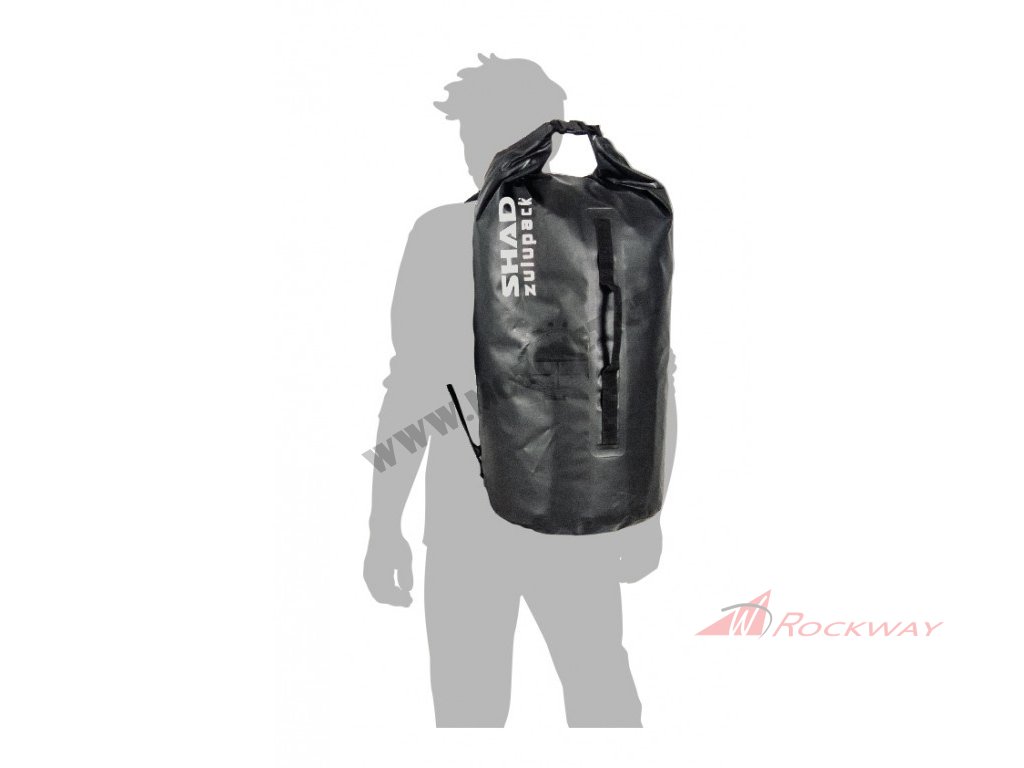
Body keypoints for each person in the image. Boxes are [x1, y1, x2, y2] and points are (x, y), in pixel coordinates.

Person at [363, 54, 672, 727]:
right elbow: (645, 378)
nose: (471, 149)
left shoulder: (454, 232)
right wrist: (383, 525)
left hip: (529, 519)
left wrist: (384, 526)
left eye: (481, 131)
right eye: (468, 133)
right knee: (533, 707)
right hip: (542, 516)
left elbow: (646, 370)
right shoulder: (595, 229)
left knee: (576, 704)